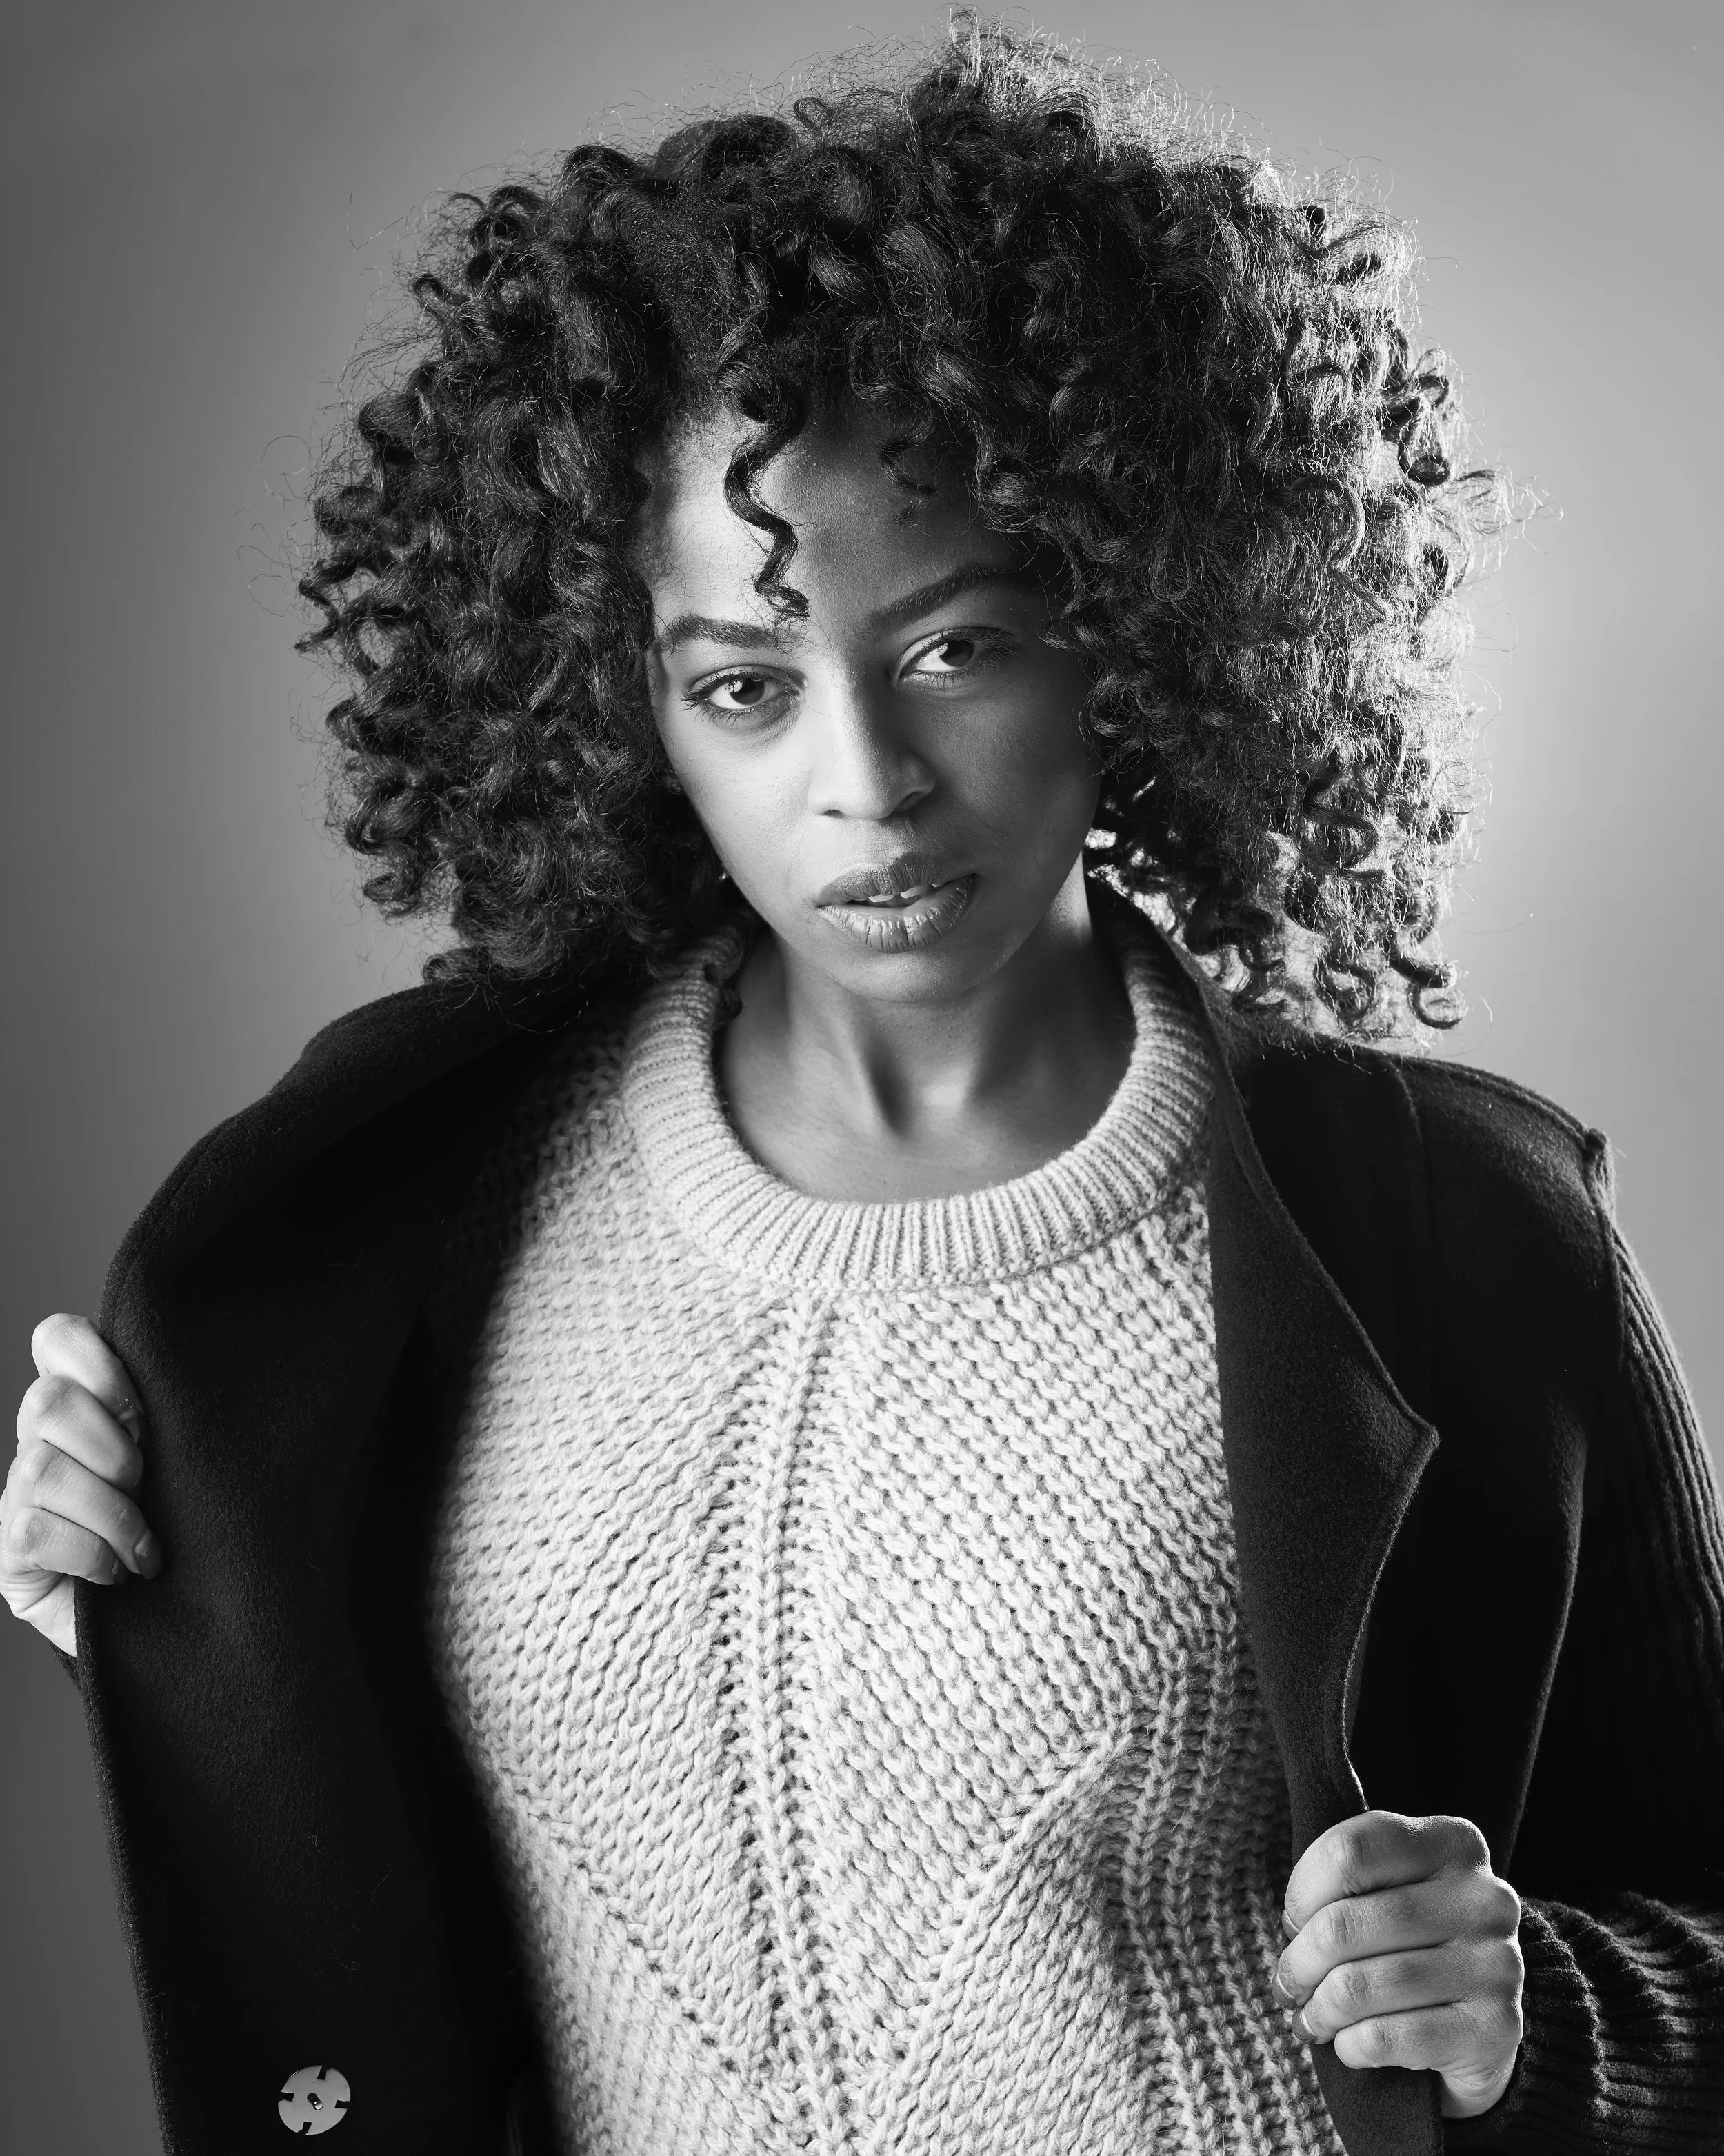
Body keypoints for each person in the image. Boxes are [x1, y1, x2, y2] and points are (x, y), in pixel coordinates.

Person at [4, 20, 1721, 2156]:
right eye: (744, 683)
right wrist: (182, 1635)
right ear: (624, 707)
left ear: (1131, 614)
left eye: (953, 647)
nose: (867, 783)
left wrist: (1529, 2010)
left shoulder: (1458, 1227)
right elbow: (378, 1928)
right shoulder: (409, 1205)